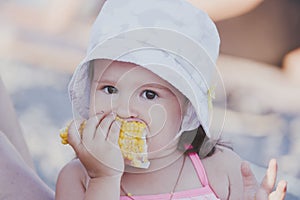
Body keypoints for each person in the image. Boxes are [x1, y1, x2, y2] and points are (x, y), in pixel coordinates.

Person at [54, 0, 287, 199]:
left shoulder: (219, 168)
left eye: (149, 94)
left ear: (187, 110)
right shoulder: (77, 179)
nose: (124, 110)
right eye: (109, 89)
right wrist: (104, 178)